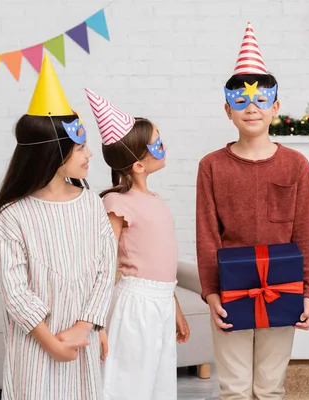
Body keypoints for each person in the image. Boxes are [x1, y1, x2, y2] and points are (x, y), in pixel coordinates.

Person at [196, 22, 309, 399]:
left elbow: (305, 232)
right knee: (234, 386)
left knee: (270, 385)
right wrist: (211, 292)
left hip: (282, 287)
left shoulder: (296, 164)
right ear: (227, 110)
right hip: (231, 290)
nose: (251, 108)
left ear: (276, 107)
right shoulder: (212, 166)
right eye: (241, 102)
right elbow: (206, 233)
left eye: (261, 100)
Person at [0, 54, 117, 400]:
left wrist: (87, 325)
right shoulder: (14, 215)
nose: (90, 154)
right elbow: (15, 293)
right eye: (81, 147)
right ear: (54, 154)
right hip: (37, 345)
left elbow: (106, 268)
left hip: (80, 339)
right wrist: (52, 343)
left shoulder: (90, 204)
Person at [84, 88, 190, 400]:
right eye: (157, 144)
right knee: (129, 381)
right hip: (135, 306)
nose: (164, 146)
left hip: (160, 303)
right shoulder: (117, 202)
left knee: (159, 379)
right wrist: (98, 322)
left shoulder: (156, 200)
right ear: (138, 166)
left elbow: (164, 267)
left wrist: (176, 308)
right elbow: (104, 264)